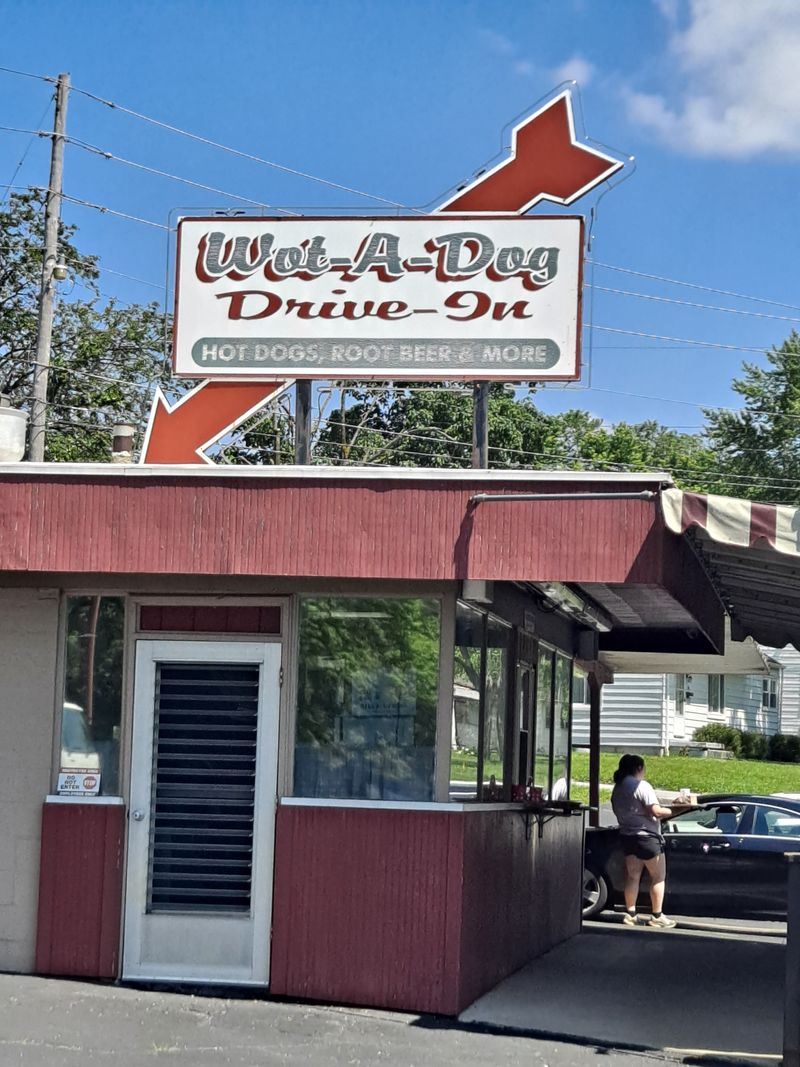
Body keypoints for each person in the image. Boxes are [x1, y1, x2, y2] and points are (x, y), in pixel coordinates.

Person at [610, 753, 684, 929]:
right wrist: (679, 808)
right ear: (639, 768)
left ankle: (631, 914)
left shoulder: (618, 788)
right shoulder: (642, 786)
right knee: (658, 877)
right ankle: (657, 916)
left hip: (627, 836)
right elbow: (656, 811)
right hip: (648, 838)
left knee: (633, 876)